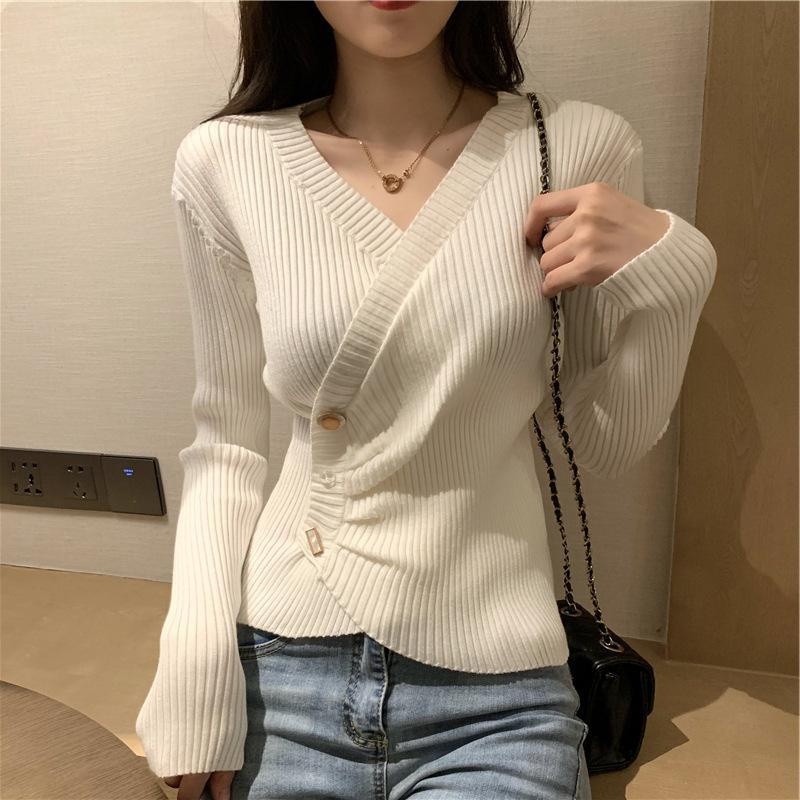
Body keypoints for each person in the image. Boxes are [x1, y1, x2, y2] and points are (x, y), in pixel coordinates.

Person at [135, 2, 718, 799]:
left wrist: (676, 273)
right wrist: (195, 670)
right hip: (281, 662)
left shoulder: (575, 144)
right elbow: (226, 444)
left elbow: (594, 444)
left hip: (498, 691)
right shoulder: (226, 159)